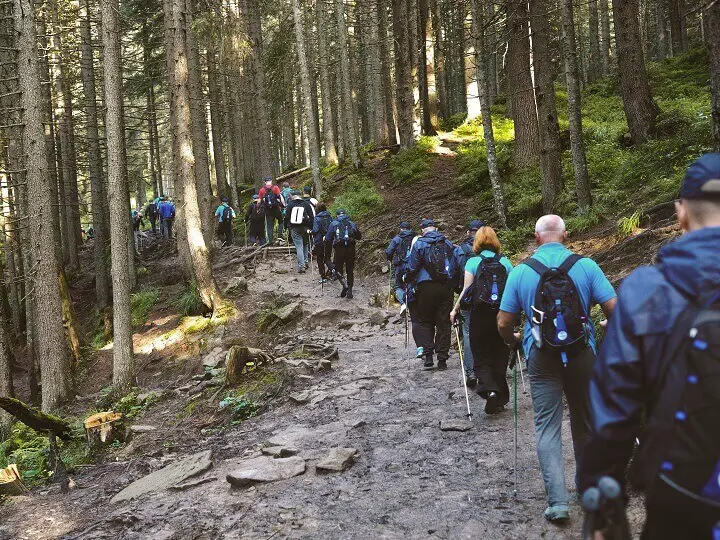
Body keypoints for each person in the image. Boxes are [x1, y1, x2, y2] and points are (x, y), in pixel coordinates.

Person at [578, 154, 720, 539]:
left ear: (681, 212)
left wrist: (603, 491)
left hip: (682, 490)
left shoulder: (647, 290)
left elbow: (614, 405)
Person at [497, 214, 617, 523]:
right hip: (582, 354)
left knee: (547, 426)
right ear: (565, 235)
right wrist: (607, 325)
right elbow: (615, 309)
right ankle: (588, 491)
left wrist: (512, 340)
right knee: (585, 421)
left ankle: (558, 503)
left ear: (536, 237)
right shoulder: (586, 266)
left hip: (540, 356)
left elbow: (503, 321)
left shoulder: (521, 271)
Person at [451, 225, 513, 411]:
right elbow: (511, 291)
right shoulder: (505, 262)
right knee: (500, 353)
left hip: (480, 315)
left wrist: (455, 309)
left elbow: (466, 290)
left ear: (476, 241)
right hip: (501, 314)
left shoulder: (472, 262)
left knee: (481, 355)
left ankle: (490, 391)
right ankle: (499, 397)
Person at [405, 218, 456, 370]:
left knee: (426, 321)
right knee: (443, 322)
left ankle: (428, 356)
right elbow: (453, 265)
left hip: (425, 287)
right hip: (445, 286)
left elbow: (412, 267)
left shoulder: (419, 244)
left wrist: (407, 279)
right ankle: (442, 359)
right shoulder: (447, 243)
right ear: (435, 228)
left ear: (422, 230)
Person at [452, 219, 485, 385]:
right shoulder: (494, 252)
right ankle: (490, 369)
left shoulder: (461, 250)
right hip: (489, 300)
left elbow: (452, 274)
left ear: (468, 233)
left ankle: (471, 372)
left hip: (468, 299)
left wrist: (458, 295)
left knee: (468, 334)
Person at [326, 209, 361, 299]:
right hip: (351, 249)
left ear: (337, 215)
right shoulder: (351, 223)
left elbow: (328, 238)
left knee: (338, 268)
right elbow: (359, 236)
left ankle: (344, 284)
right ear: (345, 215)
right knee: (350, 270)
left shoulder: (333, 224)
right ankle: (350, 290)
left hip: (339, 249)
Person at [386, 222, 415, 309]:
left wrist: (389, 259)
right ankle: (412, 304)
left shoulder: (397, 238)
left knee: (398, 286)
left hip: (400, 266)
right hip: (413, 266)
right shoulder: (415, 238)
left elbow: (389, 251)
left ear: (401, 229)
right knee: (411, 284)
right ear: (410, 229)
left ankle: (404, 304)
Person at [284, 190, 314, 273]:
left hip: (295, 228)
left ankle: (301, 266)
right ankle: (306, 262)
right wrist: (311, 227)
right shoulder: (305, 203)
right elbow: (311, 216)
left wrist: (286, 226)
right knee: (305, 244)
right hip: (305, 227)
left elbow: (286, 217)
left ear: (293, 196)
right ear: (300, 195)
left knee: (299, 246)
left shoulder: (290, 204)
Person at [258, 177, 284, 244]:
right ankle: (279, 236)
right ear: (271, 181)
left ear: (265, 182)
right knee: (281, 221)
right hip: (276, 208)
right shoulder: (275, 188)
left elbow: (259, 201)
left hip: (267, 210)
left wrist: (258, 208)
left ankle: (270, 241)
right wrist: (283, 205)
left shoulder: (262, 190)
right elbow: (280, 197)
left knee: (269, 226)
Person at [312, 203, 334, 281]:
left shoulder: (317, 218)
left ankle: (323, 276)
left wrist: (311, 232)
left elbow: (315, 230)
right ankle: (333, 271)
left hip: (319, 241)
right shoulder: (330, 216)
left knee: (320, 258)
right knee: (327, 257)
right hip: (329, 239)